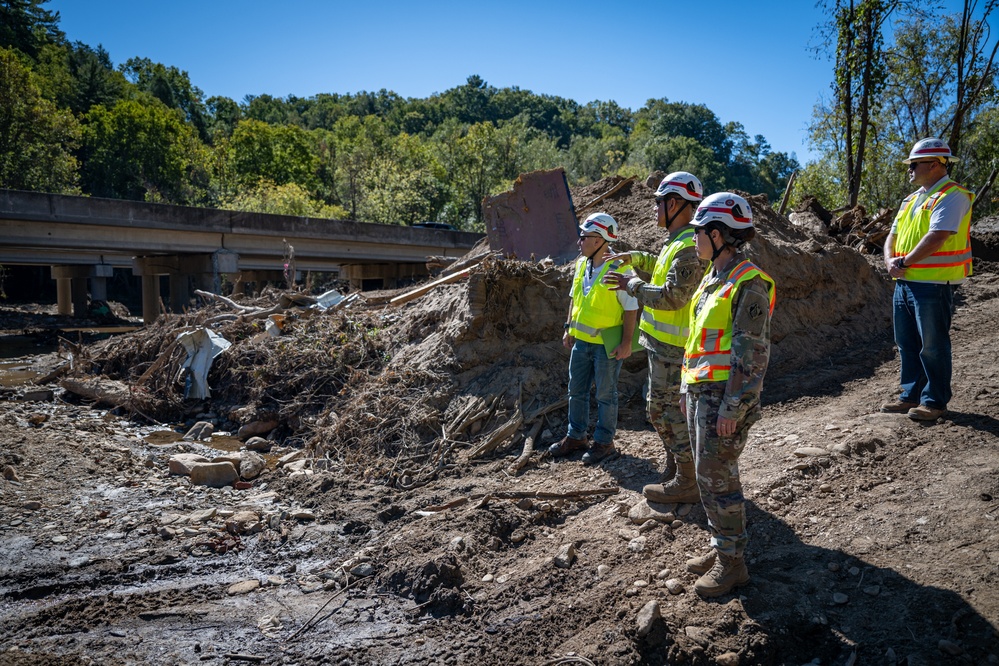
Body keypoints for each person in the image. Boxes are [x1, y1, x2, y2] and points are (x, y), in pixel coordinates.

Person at [680, 192, 775, 598]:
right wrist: (687, 388)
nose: (694, 239)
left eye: (699, 232)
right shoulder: (714, 277)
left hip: (725, 397)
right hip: (703, 392)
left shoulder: (747, 282)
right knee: (708, 478)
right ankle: (723, 545)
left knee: (719, 481)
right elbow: (700, 341)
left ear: (718, 234)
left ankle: (732, 565)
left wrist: (732, 406)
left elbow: (750, 354)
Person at [603, 172, 707, 503]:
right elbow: (659, 264)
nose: (654, 209)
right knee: (665, 411)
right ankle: (679, 465)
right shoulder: (677, 241)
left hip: (674, 350)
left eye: (658, 202)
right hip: (662, 346)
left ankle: (688, 479)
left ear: (674, 204)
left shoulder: (689, 248)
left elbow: (673, 297)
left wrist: (631, 285)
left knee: (663, 412)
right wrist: (633, 257)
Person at [881, 137, 973, 421]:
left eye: (914, 164)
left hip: (933, 284)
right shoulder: (911, 199)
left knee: (932, 345)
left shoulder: (952, 195)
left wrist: (904, 262)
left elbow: (938, 236)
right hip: (905, 282)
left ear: (934, 164)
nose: (909, 169)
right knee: (906, 342)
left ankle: (934, 401)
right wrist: (889, 261)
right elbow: (892, 236)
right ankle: (911, 396)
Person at [548, 212, 640, 465]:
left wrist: (626, 343)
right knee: (575, 391)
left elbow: (632, 307)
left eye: (584, 237)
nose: (579, 242)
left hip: (607, 347)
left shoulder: (621, 268)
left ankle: (604, 442)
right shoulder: (581, 264)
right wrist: (568, 327)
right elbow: (574, 298)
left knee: (605, 395)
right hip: (582, 343)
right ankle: (576, 436)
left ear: (600, 240)